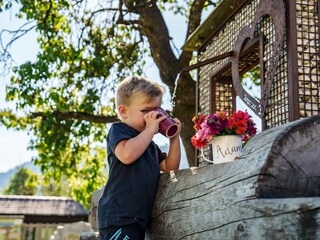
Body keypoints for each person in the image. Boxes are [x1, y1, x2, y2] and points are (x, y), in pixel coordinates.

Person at [98, 76, 181, 240]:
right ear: (123, 111)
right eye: (145, 111)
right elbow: (127, 155)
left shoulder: (149, 144)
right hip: (118, 217)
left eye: (156, 111)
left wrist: (174, 139)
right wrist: (150, 131)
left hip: (138, 220)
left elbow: (170, 167)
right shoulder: (119, 130)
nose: (152, 118)